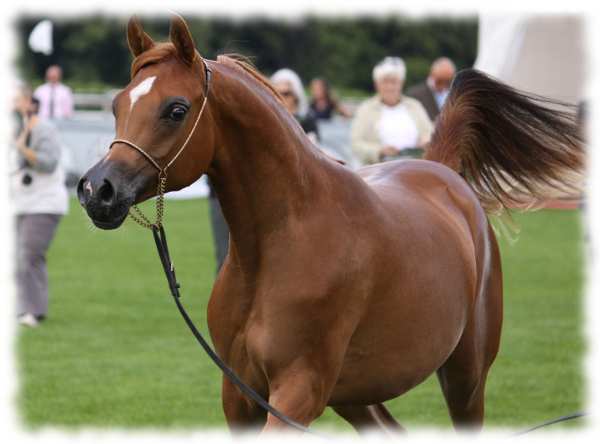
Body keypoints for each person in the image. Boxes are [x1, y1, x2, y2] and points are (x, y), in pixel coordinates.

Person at [10, 84, 69, 327]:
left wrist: (23, 148)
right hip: (19, 202)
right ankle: (20, 307)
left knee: (30, 254)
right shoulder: (14, 129)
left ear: (31, 104)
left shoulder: (45, 130)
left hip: (44, 202)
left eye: (17, 100)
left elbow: (49, 163)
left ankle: (33, 311)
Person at [351, 56, 433, 165]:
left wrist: (425, 141)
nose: (390, 87)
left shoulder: (415, 106)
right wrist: (380, 150)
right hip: (378, 171)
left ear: (401, 83)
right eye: (385, 82)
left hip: (415, 166)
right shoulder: (366, 109)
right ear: (376, 84)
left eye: (394, 82)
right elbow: (356, 143)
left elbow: (430, 133)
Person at [271, 68, 320, 144]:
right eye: (276, 93)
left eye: (285, 93)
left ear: (296, 95)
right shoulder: (271, 118)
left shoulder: (307, 118)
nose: (280, 98)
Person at [406, 57, 456, 121]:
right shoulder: (414, 95)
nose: (443, 85)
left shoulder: (455, 96)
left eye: (447, 81)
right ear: (432, 74)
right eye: (440, 81)